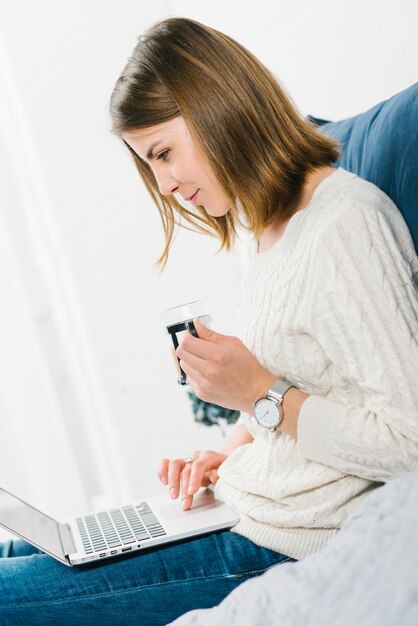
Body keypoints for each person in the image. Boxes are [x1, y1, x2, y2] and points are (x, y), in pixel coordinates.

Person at [1, 16, 417, 626]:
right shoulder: (270, 228)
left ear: (217, 106)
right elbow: (316, 388)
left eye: (164, 154)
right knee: (17, 551)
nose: (165, 185)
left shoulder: (345, 224)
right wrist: (229, 451)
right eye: (150, 166)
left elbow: (408, 443)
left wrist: (260, 394)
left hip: (271, 543)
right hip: (239, 508)